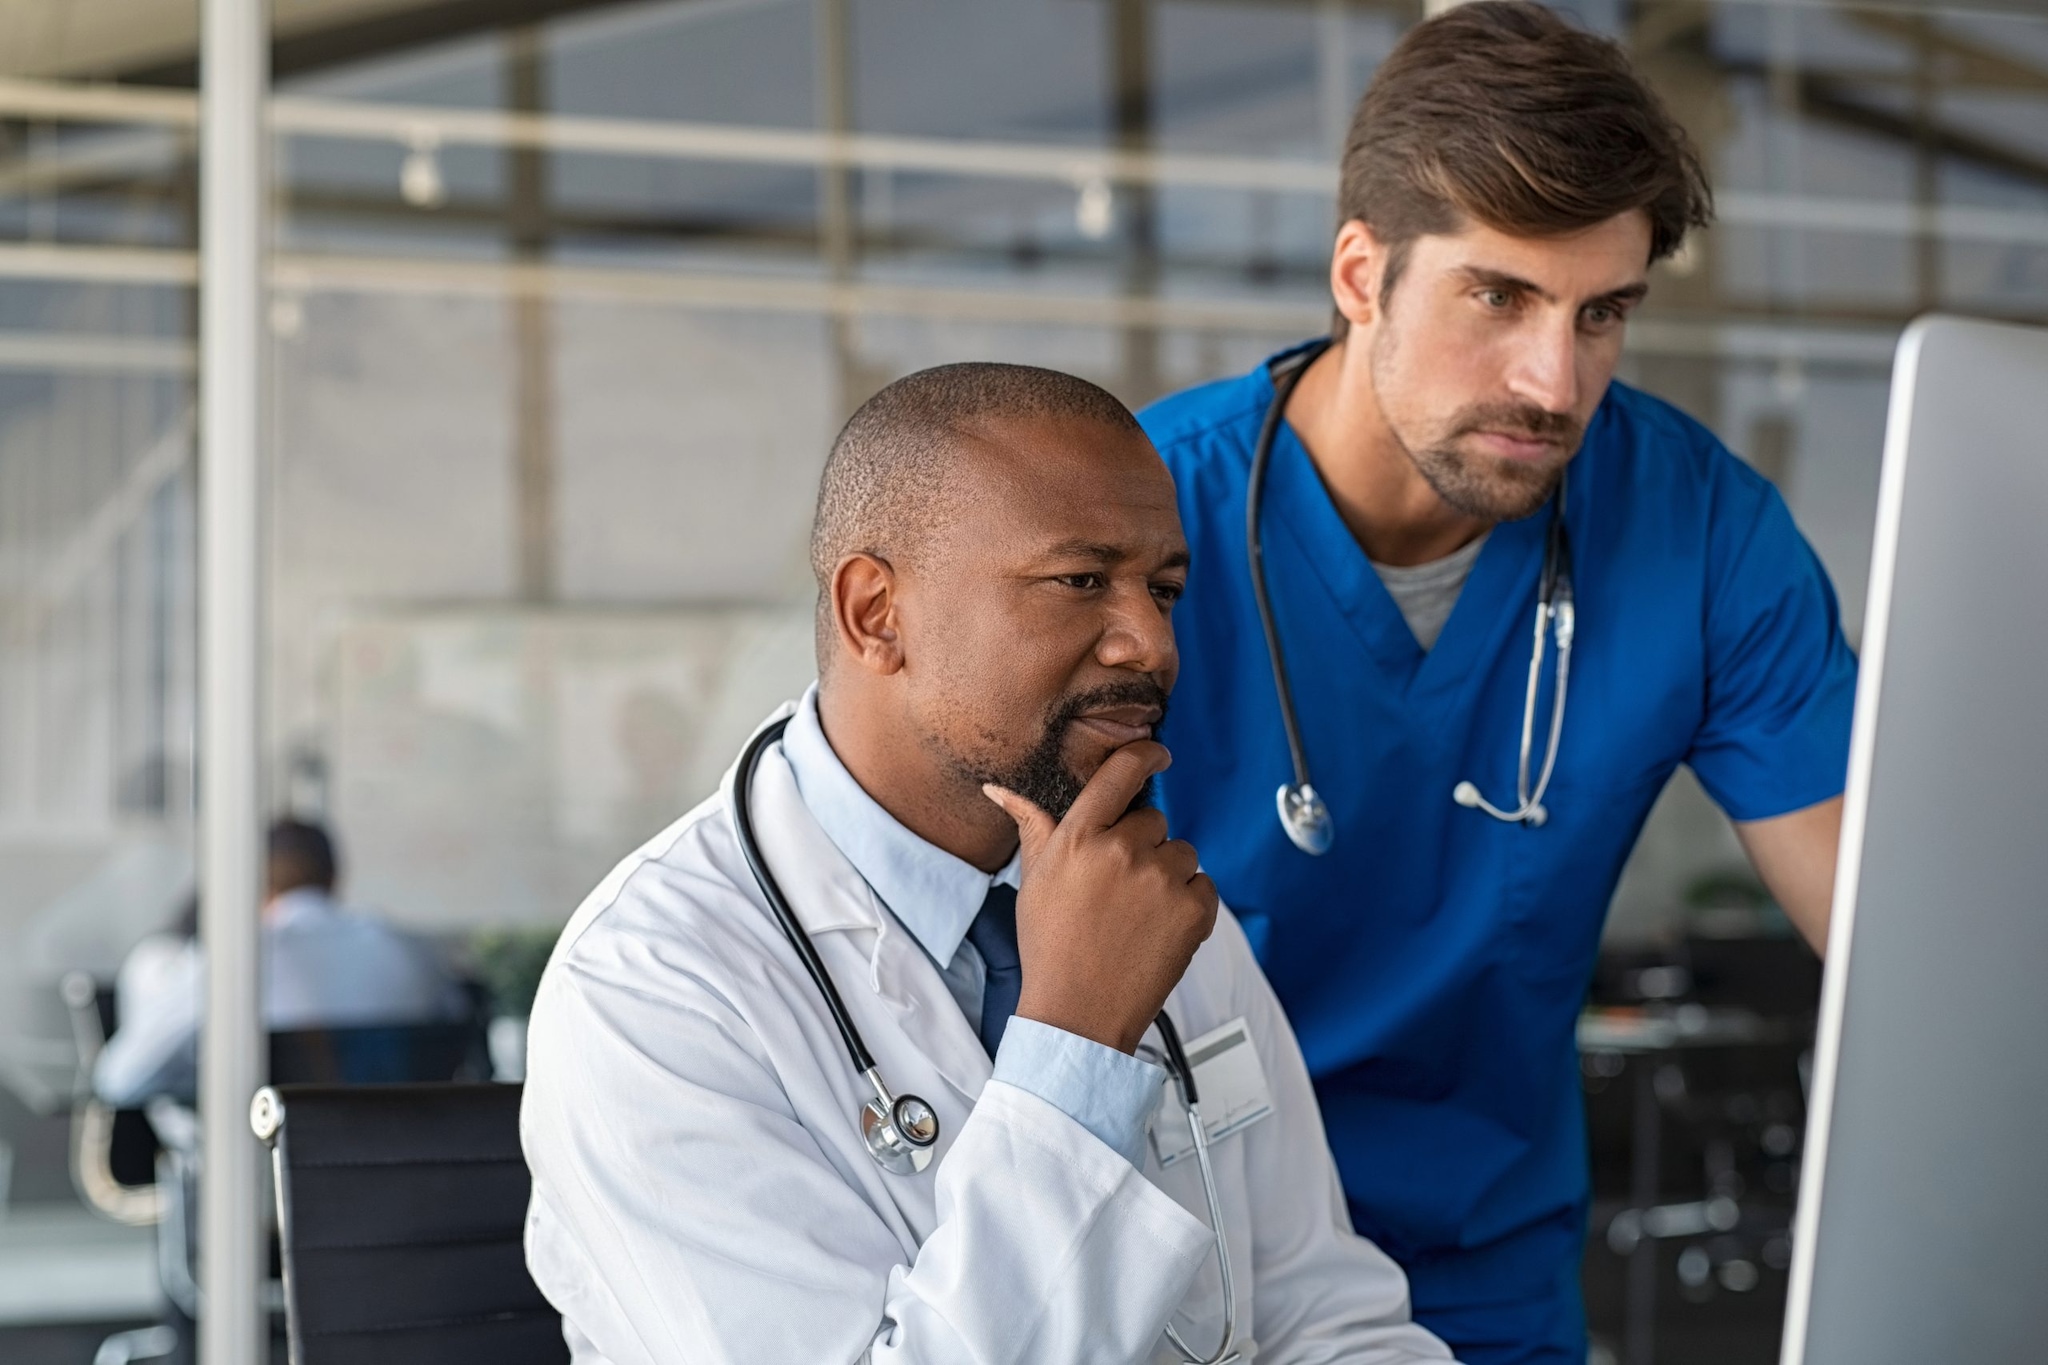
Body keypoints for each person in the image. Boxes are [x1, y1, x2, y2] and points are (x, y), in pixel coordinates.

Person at [1135, 6, 1857, 1363]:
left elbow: (1895, 936)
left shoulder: (1699, 532)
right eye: (1500, 296)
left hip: (1481, 1292)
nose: (1555, 381)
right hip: (1169, 1272)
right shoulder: (1131, 526)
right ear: (1361, 275)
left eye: (1604, 315)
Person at [520, 365, 1458, 1365]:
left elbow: (1328, 1318)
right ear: (875, 613)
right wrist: (1079, 1047)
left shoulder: (1158, 911)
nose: (1149, 643)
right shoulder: (650, 992)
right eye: (1081, 581)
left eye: (1164, 589)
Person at [94, 819, 464, 1105]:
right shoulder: (411, 951)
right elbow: (460, 1049)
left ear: (253, 882)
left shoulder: (232, 965)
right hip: (392, 1169)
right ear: (334, 877)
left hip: (250, 1184)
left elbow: (120, 1081)